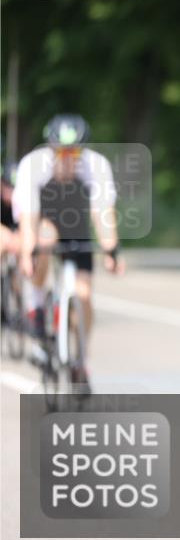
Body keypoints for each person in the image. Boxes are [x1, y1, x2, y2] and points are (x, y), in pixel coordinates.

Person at [13, 114, 126, 393]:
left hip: (76, 219)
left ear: (82, 150)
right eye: (59, 151)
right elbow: (29, 216)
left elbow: (103, 213)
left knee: (84, 295)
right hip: (44, 218)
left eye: (73, 151)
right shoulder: (33, 165)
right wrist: (29, 253)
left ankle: (81, 361)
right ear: (49, 148)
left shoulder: (96, 165)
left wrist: (111, 249)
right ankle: (36, 305)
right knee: (43, 241)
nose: (66, 157)